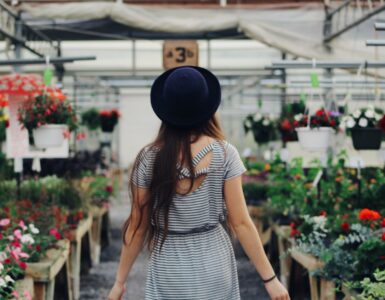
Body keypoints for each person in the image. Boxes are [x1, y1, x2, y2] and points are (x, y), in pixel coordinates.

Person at [108, 66, 290, 300]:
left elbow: (137, 225)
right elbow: (242, 223)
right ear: (207, 108)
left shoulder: (148, 158)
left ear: (166, 108)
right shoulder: (225, 154)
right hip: (214, 262)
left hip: (168, 265)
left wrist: (119, 283)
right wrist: (270, 280)